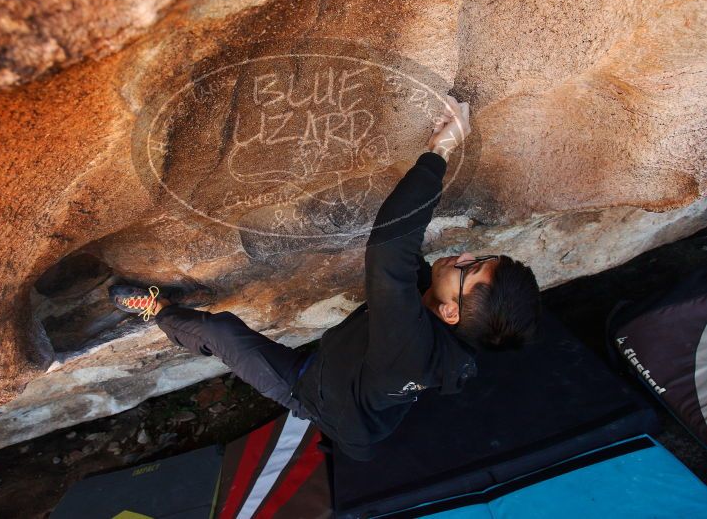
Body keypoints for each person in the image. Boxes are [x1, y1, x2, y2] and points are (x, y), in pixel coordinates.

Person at [109, 96, 541, 461]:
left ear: (450, 312)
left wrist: (440, 150)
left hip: (311, 393)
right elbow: (401, 255)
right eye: (481, 255)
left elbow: (389, 248)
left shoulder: (412, 347)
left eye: (470, 268)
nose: (464, 255)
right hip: (349, 380)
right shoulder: (441, 309)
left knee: (220, 332)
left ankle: (159, 312)